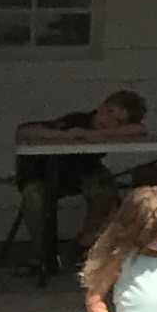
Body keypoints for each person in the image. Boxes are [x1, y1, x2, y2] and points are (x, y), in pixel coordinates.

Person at [15, 87, 146, 261]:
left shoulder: (104, 132)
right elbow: (24, 132)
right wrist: (64, 136)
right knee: (34, 199)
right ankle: (44, 255)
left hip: (80, 173)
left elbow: (140, 130)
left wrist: (95, 135)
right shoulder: (77, 120)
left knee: (105, 186)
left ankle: (85, 242)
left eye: (118, 121)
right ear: (101, 107)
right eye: (109, 112)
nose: (108, 120)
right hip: (41, 173)